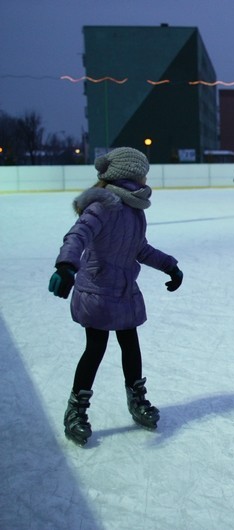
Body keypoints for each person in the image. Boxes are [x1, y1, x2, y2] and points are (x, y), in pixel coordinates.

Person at [48, 147, 183, 445]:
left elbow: (140, 248)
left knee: (130, 346)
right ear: (131, 174)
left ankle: (136, 400)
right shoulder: (102, 205)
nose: (147, 175)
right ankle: (76, 410)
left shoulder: (134, 210)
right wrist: (66, 265)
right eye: (143, 170)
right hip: (97, 289)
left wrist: (169, 266)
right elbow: (77, 236)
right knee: (95, 348)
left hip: (124, 290)